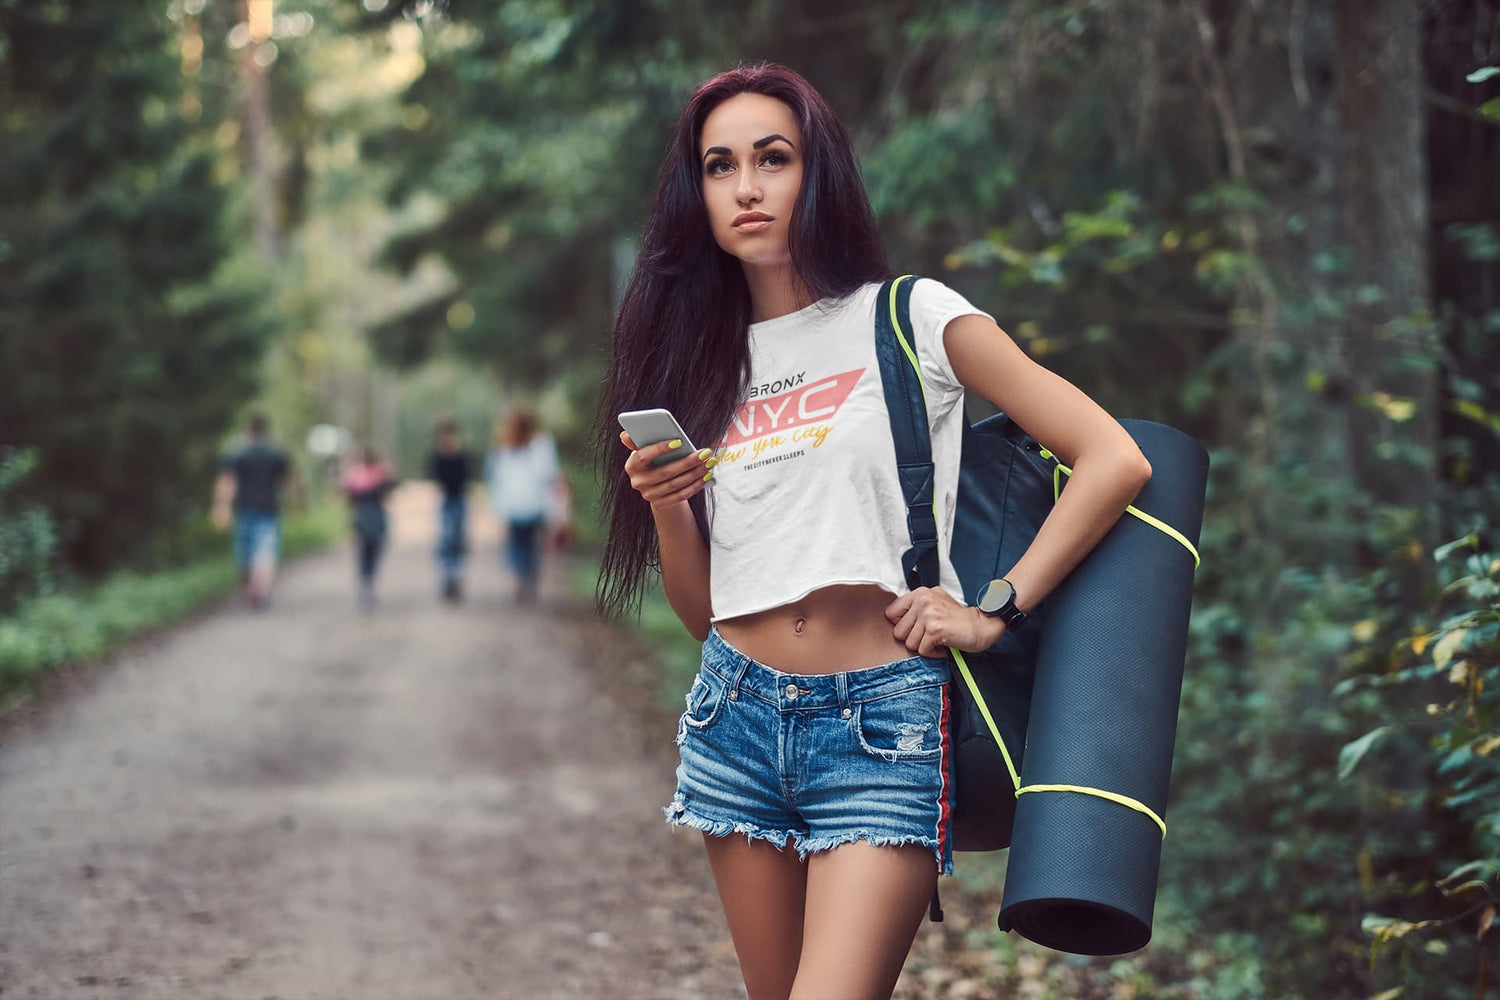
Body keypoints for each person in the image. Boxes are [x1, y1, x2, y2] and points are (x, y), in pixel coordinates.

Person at [593, 64, 1152, 1000]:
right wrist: (666, 506)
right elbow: (705, 614)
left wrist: (992, 609)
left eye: (773, 158)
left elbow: (1114, 459)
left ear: (819, 174)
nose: (747, 187)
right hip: (734, 716)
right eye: (720, 166)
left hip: (882, 724)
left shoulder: (909, 317)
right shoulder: (700, 364)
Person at [213, 413, 291, 610]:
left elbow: (227, 481)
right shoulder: (276, 454)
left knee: (245, 553)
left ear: (248, 431)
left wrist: (222, 506)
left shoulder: (238, 453)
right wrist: (294, 502)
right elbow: (286, 482)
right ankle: (261, 591)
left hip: (245, 509)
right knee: (265, 552)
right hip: (269, 509)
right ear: (265, 430)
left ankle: (251, 589)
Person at [484, 406, 560, 603]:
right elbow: (549, 475)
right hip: (530, 504)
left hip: (518, 504)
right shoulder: (541, 445)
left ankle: (521, 578)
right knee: (529, 544)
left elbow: (496, 478)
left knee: (519, 544)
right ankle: (528, 579)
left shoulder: (506, 446)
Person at [341, 445, 396, 610]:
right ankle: (368, 583)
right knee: (371, 553)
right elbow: (389, 495)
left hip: (364, 516)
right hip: (373, 516)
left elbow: (347, 496)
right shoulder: (377, 474)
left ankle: (366, 583)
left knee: (366, 553)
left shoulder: (357, 474)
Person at [427, 418, 472, 603]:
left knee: (458, 541)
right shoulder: (438, 458)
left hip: (459, 501)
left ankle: (455, 577)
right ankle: (448, 578)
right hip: (447, 502)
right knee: (446, 540)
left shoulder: (462, 457)